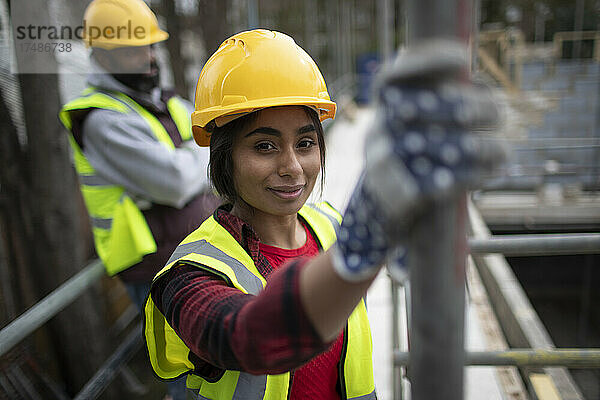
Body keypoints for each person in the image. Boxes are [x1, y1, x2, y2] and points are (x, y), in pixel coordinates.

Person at [144, 29, 500, 399]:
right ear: (224, 157)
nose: (293, 167)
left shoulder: (328, 225)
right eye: (264, 146)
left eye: (305, 143)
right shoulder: (188, 274)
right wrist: (357, 253)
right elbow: (246, 338)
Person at [59, 1, 217, 399]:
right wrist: (203, 153)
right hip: (153, 268)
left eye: (149, 47)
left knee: (213, 366)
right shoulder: (102, 120)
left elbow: (208, 157)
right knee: (187, 375)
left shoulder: (161, 102)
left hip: (192, 251)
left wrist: (197, 156)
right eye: (134, 49)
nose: (148, 59)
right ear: (102, 56)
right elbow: (179, 181)